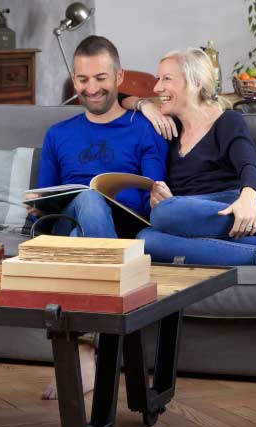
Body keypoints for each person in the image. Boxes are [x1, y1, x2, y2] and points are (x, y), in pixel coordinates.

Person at [25, 35, 168, 399]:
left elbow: (153, 192)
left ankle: (83, 354)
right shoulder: (58, 134)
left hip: (124, 229)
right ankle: (98, 352)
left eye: (101, 78)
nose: (92, 88)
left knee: (89, 205)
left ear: (119, 78)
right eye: (83, 80)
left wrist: (160, 195)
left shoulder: (146, 127)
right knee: (83, 204)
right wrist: (38, 205)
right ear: (74, 81)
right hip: (67, 227)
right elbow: (46, 199)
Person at [137, 48, 256, 269]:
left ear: (195, 83)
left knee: (163, 213)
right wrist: (142, 104)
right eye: (158, 79)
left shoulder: (227, 121)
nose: (157, 88)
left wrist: (249, 198)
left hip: (239, 211)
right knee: (146, 239)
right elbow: (116, 97)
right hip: (201, 222)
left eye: (167, 79)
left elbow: (249, 165)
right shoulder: (169, 130)